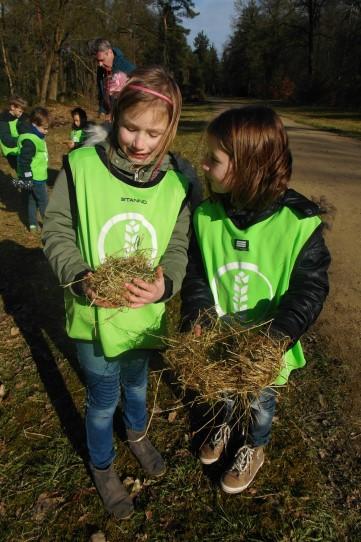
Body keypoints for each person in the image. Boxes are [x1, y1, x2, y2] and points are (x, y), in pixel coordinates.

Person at [42, 66, 192, 520]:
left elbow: (178, 244)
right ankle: (103, 464)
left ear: (170, 130)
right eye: (130, 127)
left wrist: (168, 283)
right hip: (94, 316)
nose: (140, 143)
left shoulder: (178, 182)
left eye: (153, 133)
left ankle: (139, 434)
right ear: (114, 115)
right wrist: (79, 276)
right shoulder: (82, 166)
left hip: (142, 318)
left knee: (138, 384)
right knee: (103, 397)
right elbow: (57, 229)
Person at [180, 105, 331, 495]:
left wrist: (277, 337)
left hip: (267, 348)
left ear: (249, 166)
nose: (204, 165)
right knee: (226, 392)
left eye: (214, 159)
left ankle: (254, 444)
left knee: (261, 403)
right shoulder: (206, 216)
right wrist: (198, 313)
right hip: (222, 337)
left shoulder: (299, 225)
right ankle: (227, 423)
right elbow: (196, 272)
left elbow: (310, 288)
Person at [16, 107, 49, 232]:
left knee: (32, 200)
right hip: (36, 178)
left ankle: (32, 225)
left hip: (33, 177)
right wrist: (28, 177)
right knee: (43, 201)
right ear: (34, 125)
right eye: (44, 128)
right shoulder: (30, 140)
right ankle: (48, 226)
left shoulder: (33, 136)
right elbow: (24, 161)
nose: (46, 131)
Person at [92, 38, 135, 119]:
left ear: (110, 52)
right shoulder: (101, 70)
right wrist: (102, 111)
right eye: (97, 61)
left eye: (102, 60)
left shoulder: (128, 68)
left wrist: (115, 114)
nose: (100, 64)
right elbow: (102, 94)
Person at [0, 95, 28, 170]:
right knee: (23, 172)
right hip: (11, 152)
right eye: (20, 111)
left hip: (20, 149)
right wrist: (22, 140)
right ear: (12, 107)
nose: (21, 114)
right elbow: (6, 139)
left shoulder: (19, 117)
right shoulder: (3, 120)